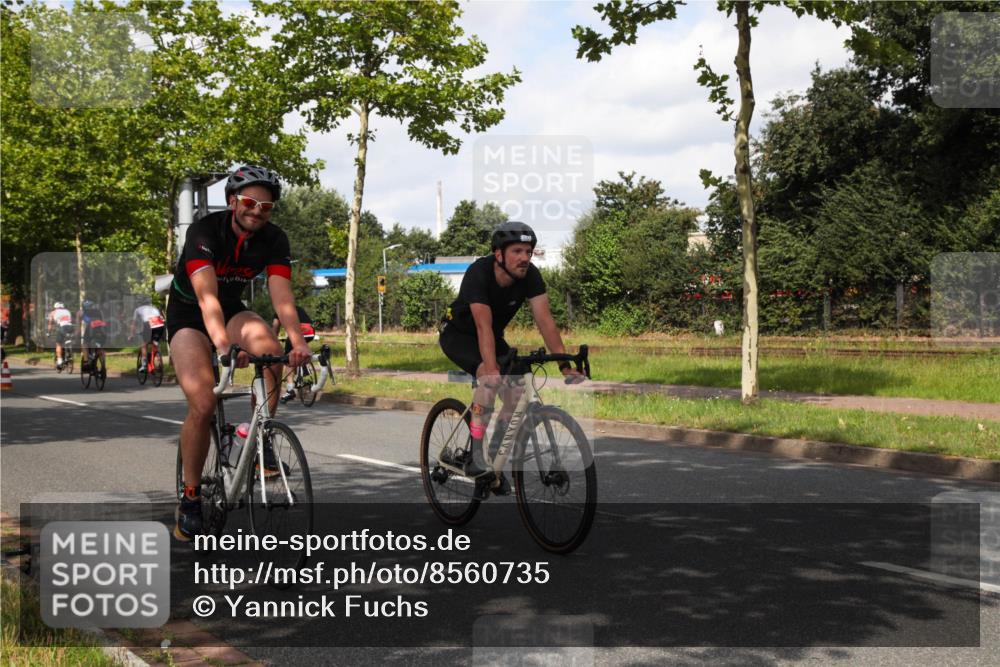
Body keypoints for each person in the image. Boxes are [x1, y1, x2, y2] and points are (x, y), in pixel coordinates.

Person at [167, 164, 311, 542]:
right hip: (189, 315)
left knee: (270, 350)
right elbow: (206, 298)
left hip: (231, 311)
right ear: (232, 201)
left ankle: (260, 437)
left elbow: (282, 296)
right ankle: (191, 497)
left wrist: (298, 342)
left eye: (266, 207)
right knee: (203, 402)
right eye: (249, 203)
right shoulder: (204, 232)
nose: (257, 212)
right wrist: (223, 346)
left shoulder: (274, 239)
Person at [438, 221, 583, 496]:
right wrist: (491, 370)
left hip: (492, 336)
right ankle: (476, 456)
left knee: (516, 393)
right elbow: (482, 325)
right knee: (488, 378)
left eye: (528, 251)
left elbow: (546, 321)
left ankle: (492, 463)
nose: (525, 257)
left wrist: (565, 366)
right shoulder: (478, 273)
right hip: (459, 334)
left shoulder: (531, 276)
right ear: (499, 254)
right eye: (517, 251)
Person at [272, 305, 316, 403]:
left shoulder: (279, 310)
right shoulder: (297, 307)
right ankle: (304, 368)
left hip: (298, 331)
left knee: (288, 359)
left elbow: (275, 329)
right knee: (298, 351)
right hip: (310, 331)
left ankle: (290, 390)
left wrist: (273, 342)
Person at [130, 299, 166, 371]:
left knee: (143, 345)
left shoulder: (137, 309)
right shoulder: (154, 308)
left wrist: (132, 335)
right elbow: (162, 319)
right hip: (160, 324)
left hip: (149, 324)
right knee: (155, 343)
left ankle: (144, 365)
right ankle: (159, 363)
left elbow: (133, 324)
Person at [77, 299, 108, 369]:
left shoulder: (81, 313)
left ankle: (86, 362)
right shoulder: (100, 311)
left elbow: (78, 326)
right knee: (100, 348)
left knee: (84, 344)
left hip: (91, 329)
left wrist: (77, 335)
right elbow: (104, 321)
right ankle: (103, 366)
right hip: (102, 329)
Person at [46, 302, 75, 369]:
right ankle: (69, 351)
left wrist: (48, 333)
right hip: (70, 327)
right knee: (68, 339)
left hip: (62, 328)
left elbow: (50, 324)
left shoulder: (53, 313)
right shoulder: (67, 311)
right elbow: (72, 320)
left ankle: (59, 360)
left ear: (55, 307)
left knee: (58, 344)